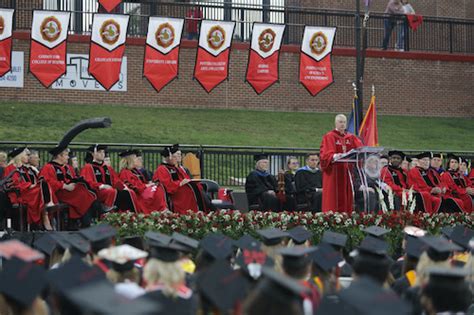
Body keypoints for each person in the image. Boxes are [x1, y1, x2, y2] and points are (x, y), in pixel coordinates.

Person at [40, 145, 97, 229]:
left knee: (89, 195)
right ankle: (84, 223)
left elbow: (73, 178)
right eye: (66, 155)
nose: (68, 157)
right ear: (59, 156)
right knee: (84, 197)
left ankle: (83, 222)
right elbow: (46, 183)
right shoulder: (48, 167)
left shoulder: (68, 167)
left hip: (72, 192)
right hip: (59, 193)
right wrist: (64, 186)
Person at [319, 114, 363, 213]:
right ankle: (333, 218)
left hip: (346, 172)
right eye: (340, 122)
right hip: (334, 173)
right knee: (333, 199)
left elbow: (360, 149)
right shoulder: (330, 136)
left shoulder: (350, 137)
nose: (342, 124)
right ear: (336, 123)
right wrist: (335, 156)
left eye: (344, 122)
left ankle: (346, 217)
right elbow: (326, 155)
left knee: (346, 197)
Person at [4, 147, 55, 230]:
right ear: (20, 156)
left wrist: (36, 184)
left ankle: (45, 212)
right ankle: (45, 215)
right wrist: (29, 186)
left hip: (30, 192)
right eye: (26, 155)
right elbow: (12, 184)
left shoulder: (27, 169)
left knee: (44, 185)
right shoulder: (10, 168)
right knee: (39, 190)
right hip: (19, 194)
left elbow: (37, 179)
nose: (29, 157)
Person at [81, 144, 141, 213]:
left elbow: (115, 180)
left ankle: (132, 215)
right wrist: (102, 186)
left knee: (129, 192)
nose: (102, 154)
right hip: (98, 191)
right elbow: (88, 182)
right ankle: (106, 212)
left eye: (103, 152)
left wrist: (123, 187)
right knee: (112, 191)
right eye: (99, 152)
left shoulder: (107, 168)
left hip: (111, 190)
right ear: (93, 154)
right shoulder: (88, 167)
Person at [154, 146, 207, 214]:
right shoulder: (162, 169)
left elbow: (185, 178)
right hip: (174, 194)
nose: (178, 158)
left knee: (200, 187)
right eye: (176, 156)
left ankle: (206, 210)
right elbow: (166, 186)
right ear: (169, 157)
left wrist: (186, 181)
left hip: (180, 190)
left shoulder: (175, 168)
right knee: (192, 190)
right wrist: (180, 183)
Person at [119, 149, 168, 214]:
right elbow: (133, 187)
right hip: (138, 195)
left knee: (159, 186)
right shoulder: (125, 173)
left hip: (143, 191)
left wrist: (148, 184)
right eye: (135, 158)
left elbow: (143, 182)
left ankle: (162, 209)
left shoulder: (135, 171)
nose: (137, 160)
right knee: (156, 189)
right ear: (130, 160)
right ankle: (161, 210)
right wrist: (146, 186)